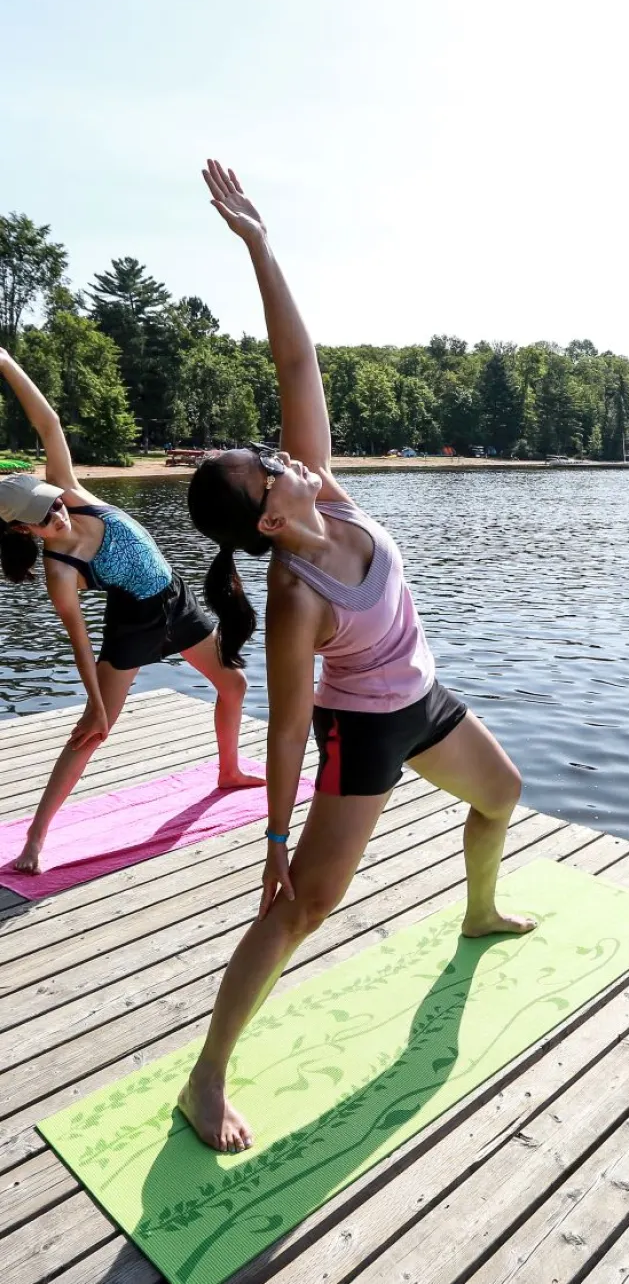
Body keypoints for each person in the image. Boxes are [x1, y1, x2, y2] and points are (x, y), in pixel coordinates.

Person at [179, 161, 535, 1153]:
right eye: (274, 471)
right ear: (263, 515)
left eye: (282, 454)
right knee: (304, 910)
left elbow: (298, 367)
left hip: (420, 697)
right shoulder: (295, 601)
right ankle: (205, 1078)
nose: (290, 460)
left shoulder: (322, 490)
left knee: (501, 794)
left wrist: (260, 245)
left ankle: (476, 913)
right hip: (360, 731)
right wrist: (275, 846)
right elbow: (289, 730)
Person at [0, 349, 263, 873]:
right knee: (93, 730)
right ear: (21, 530)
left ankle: (228, 771)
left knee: (233, 685)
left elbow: (47, 420)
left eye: (49, 501)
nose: (54, 513)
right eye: (40, 517)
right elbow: (79, 644)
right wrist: (95, 703)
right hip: (133, 624)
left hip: (176, 598)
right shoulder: (61, 572)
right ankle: (34, 838)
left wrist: (6, 362)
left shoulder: (71, 493)